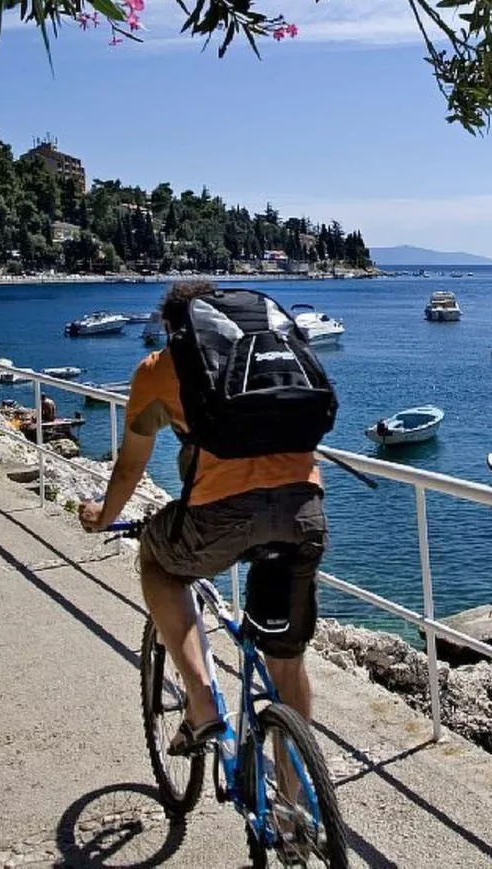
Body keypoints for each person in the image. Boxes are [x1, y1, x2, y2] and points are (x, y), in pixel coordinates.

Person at [80, 280, 328, 754]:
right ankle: (295, 814)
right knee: (287, 663)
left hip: (221, 517)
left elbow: (132, 464)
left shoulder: (160, 369)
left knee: (157, 559)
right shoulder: (265, 365)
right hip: (305, 513)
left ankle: (201, 705)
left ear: (177, 328)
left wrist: (102, 515)